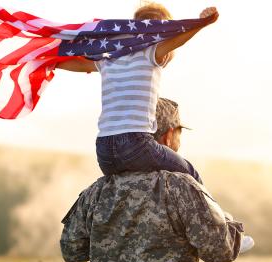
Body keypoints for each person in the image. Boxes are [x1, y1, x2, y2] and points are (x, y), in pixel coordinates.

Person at [60, 98, 253, 262]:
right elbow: (219, 250)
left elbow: (71, 251)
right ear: (169, 135)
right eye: (179, 132)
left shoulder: (96, 191)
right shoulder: (181, 187)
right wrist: (228, 223)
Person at [56, 3, 218, 184]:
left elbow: (78, 65)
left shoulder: (109, 57)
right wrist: (202, 23)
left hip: (104, 152)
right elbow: (178, 40)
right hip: (136, 145)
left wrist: (48, 60)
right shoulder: (150, 52)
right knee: (191, 174)